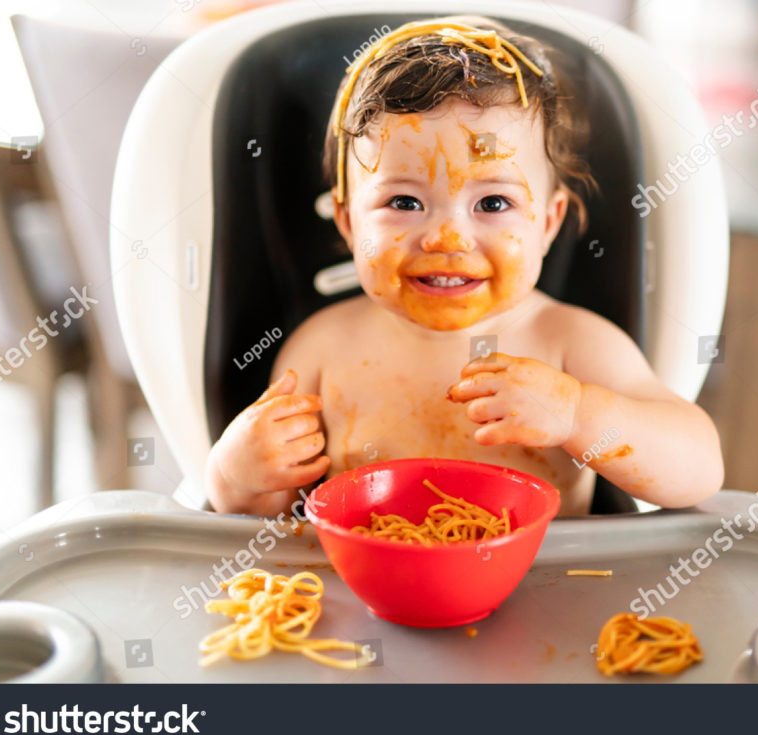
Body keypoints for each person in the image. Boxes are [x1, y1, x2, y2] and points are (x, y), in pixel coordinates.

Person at [205, 15, 724, 517]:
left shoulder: (573, 346)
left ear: (547, 222)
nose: (448, 238)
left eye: (493, 204)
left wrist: (576, 413)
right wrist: (238, 476)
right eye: (404, 203)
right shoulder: (319, 350)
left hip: (552, 597)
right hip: (364, 600)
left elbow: (698, 469)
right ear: (346, 222)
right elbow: (262, 521)